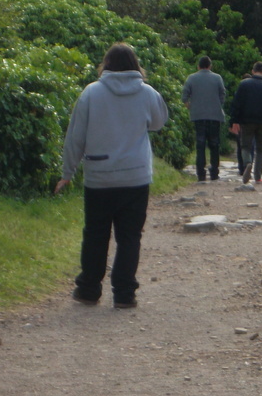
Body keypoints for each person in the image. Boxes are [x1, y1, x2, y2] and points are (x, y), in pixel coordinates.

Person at [55, 43, 168, 309]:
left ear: (105, 64)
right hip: (136, 177)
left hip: (99, 176)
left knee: (95, 234)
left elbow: (76, 136)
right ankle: (125, 294)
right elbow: (159, 122)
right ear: (135, 65)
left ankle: (88, 290)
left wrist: (67, 172)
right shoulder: (148, 93)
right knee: (129, 237)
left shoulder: (91, 93)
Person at [229, 62, 262, 184]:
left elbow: (236, 104)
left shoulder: (243, 84)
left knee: (245, 146)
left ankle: (247, 163)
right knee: (260, 149)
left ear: (252, 71)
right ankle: (258, 176)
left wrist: (234, 121)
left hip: (246, 121)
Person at [182, 55, 226, 182]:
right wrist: (217, 104)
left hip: (198, 116)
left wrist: (191, 107)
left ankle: (201, 173)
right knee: (214, 144)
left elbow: (184, 96)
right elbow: (222, 94)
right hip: (215, 115)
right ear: (210, 66)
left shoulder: (192, 78)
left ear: (198, 66)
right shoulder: (217, 78)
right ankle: (214, 173)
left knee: (200, 145)